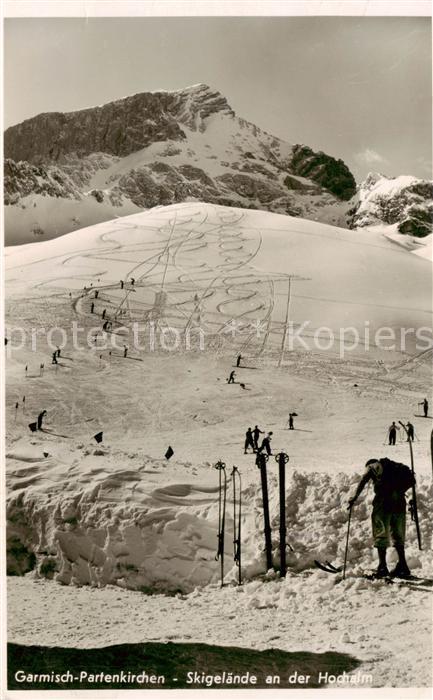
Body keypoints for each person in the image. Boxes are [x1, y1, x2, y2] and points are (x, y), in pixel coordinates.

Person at [348, 458, 415, 578]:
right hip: (399, 504)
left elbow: (363, 480)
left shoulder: (373, 465)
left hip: (383, 504)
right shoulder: (396, 468)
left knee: (380, 533)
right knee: (398, 536)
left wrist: (354, 497)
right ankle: (403, 565)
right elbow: (411, 481)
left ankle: (382, 567)